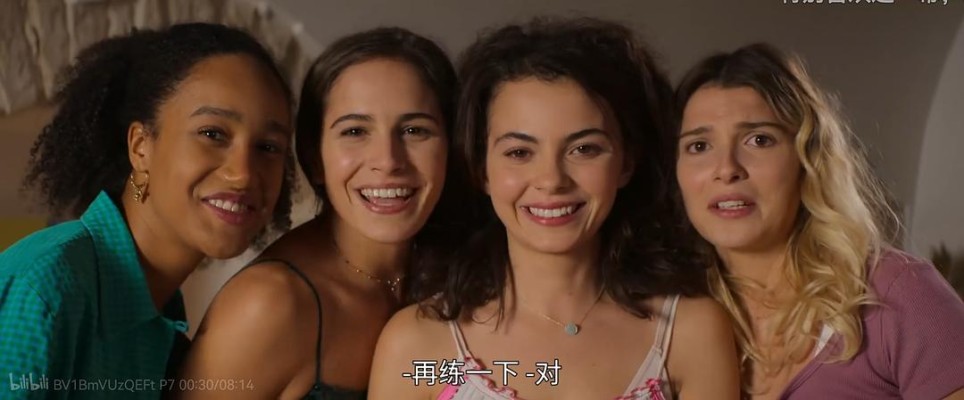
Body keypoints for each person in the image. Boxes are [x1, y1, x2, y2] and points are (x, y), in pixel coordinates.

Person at [369, 17, 740, 400]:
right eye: (519, 152)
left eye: (584, 149)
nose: (551, 180)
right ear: (481, 170)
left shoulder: (690, 333)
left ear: (627, 162)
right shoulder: (415, 344)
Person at [0, 23, 294, 399]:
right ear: (141, 147)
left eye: (268, 147)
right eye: (213, 134)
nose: (244, 174)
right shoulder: (45, 287)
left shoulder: (162, 327)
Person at [177, 27, 467, 399]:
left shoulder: (461, 273)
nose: (388, 161)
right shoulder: (269, 305)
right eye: (355, 131)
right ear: (314, 158)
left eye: (414, 130)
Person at [674, 43, 964, 399]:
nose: (727, 169)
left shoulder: (899, 293)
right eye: (699, 146)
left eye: (759, 140)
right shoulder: (665, 320)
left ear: (808, 159)